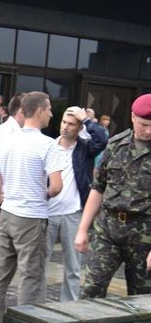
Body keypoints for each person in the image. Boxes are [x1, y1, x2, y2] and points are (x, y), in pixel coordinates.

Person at [0, 92, 64, 323]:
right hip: (31, 217)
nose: (51, 114)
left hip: (7, 214)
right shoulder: (48, 144)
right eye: (49, 109)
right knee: (31, 275)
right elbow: (57, 186)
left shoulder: (6, 140)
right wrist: (45, 192)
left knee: (0, 274)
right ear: (39, 110)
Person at [75, 93, 151, 298]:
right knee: (91, 290)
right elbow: (98, 188)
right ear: (133, 117)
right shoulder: (116, 145)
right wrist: (83, 229)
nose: (148, 130)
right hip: (108, 229)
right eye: (144, 124)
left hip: (145, 234)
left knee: (143, 298)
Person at [45, 106, 108, 301]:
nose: (65, 127)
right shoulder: (48, 146)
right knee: (39, 265)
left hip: (73, 213)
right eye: (64, 122)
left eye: (71, 124)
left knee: (73, 267)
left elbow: (103, 140)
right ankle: (37, 307)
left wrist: (87, 120)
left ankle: (69, 308)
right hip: (47, 213)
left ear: (79, 127)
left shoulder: (84, 148)